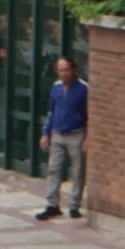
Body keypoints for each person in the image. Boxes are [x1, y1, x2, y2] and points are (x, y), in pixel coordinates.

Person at [36, 58, 88, 220]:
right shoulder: (56, 87)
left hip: (76, 134)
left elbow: (90, 114)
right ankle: (52, 205)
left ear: (73, 70)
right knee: (53, 169)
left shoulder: (84, 89)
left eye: (66, 70)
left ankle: (74, 205)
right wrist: (46, 133)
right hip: (58, 134)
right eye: (61, 70)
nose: (64, 73)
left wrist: (88, 137)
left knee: (78, 170)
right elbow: (52, 111)